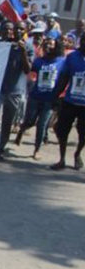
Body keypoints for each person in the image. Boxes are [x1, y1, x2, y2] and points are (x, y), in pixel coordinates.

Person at [0, 22, 31, 166]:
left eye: (22, 28)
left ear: (26, 30)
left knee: (7, 124)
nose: (18, 31)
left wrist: (23, 52)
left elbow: (28, 70)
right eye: (16, 28)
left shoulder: (28, 48)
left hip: (15, 92)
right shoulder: (4, 45)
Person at [14, 36, 66, 159]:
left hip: (50, 99)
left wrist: (59, 97)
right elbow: (28, 70)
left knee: (42, 125)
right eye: (46, 44)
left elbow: (65, 78)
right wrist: (24, 54)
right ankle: (22, 130)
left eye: (51, 44)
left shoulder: (62, 62)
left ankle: (37, 149)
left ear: (56, 47)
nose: (48, 46)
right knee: (30, 121)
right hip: (35, 96)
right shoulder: (38, 61)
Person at [50, 31, 85, 170]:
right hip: (70, 101)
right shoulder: (71, 57)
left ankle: (77, 154)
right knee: (61, 130)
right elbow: (64, 78)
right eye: (83, 41)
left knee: (83, 133)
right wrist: (55, 95)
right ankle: (62, 159)